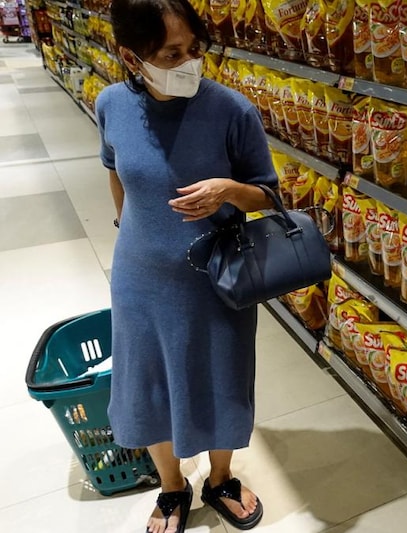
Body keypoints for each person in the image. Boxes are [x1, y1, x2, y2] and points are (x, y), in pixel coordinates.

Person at [95, 0, 276, 530]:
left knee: (222, 376)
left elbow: (268, 194)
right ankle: (172, 488)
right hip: (140, 277)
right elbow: (114, 169)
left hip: (217, 276)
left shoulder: (233, 110)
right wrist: (132, 229)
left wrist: (231, 191)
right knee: (147, 383)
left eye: (195, 48)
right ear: (132, 57)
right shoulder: (111, 104)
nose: (189, 62)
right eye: (171, 53)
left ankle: (220, 477)